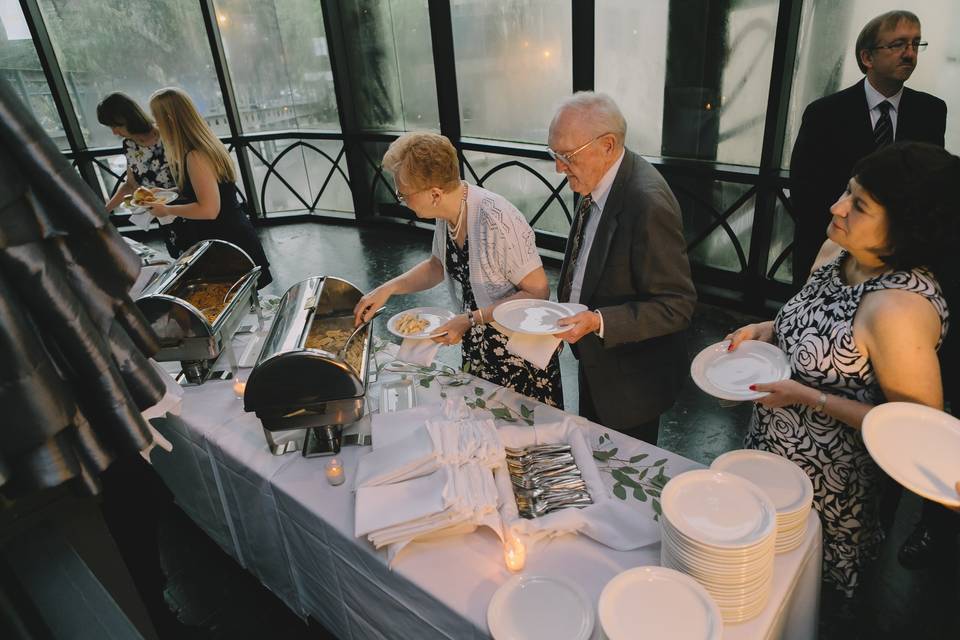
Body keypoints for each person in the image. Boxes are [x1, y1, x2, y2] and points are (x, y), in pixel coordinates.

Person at [727, 142, 959, 599]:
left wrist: (807, 397)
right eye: (847, 191)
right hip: (770, 451)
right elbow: (816, 319)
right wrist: (766, 328)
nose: (837, 207)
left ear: (904, 230)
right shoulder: (839, 249)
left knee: (795, 597)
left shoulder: (899, 309)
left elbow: (916, 432)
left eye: (860, 204)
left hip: (829, 490)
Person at [353, 132, 563, 407]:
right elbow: (436, 266)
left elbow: (538, 291)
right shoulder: (449, 213)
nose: (401, 199)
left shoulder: (496, 220)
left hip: (517, 351)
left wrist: (470, 319)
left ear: (435, 193)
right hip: (478, 339)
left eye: (403, 194)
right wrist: (388, 289)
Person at [548, 92, 696, 445]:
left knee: (623, 477)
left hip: (631, 384)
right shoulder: (597, 177)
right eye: (554, 154)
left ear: (608, 145)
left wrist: (598, 321)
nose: (557, 167)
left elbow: (676, 306)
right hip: (598, 361)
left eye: (566, 156)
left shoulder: (647, 203)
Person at [790, 10, 946, 286]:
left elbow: (930, 188)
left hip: (899, 261)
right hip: (831, 252)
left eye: (915, 43)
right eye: (898, 45)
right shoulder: (824, 113)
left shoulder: (931, 111)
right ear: (867, 57)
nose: (910, 54)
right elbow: (805, 192)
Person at [145, 88, 272, 287]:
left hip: (226, 240)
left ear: (169, 119)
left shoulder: (195, 156)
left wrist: (166, 209)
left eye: (155, 119)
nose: (154, 125)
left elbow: (209, 210)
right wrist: (169, 194)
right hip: (233, 234)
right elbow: (210, 189)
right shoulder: (204, 146)